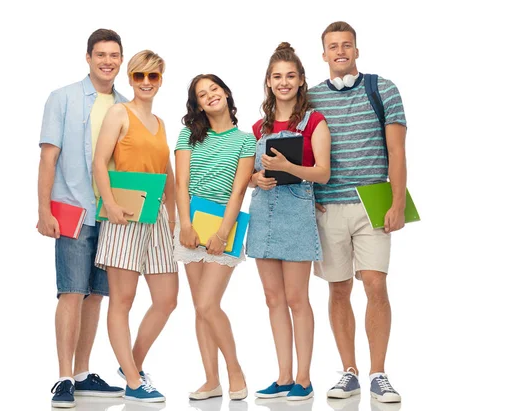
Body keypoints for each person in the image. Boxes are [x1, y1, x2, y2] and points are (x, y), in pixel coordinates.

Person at [308, 21, 407, 404]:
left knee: (375, 285)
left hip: (373, 201)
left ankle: (378, 373)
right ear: (324, 55)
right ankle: (348, 371)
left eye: (346, 45)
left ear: (357, 50)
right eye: (333, 47)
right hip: (328, 204)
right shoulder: (312, 98)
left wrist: (397, 203)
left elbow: (397, 152)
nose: (340, 52)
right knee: (338, 289)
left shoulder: (383, 88)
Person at [37, 29, 127, 408]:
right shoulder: (63, 99)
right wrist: (43, 210)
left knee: (96, 296)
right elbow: (47, 158)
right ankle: (62, 378)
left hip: (111, 215)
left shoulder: (125, 105)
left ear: (121, 60)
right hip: (73, 209)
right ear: (88, 57)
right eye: (101, 54)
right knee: (71, 291)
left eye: (115, 55)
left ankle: (82, 373)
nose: (108, 61)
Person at [246, 42, 331, 402]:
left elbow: (323, 173)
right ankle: (282, 377)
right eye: (277, 76)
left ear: (300, 81)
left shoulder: (314, 121)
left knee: (297, 298)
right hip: (264, 211)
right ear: (268, 82)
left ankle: (304, 378)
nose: (283, 82)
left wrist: (287, 168)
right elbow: (248, 173)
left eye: (290, 76)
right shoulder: (258, 126)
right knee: (273, 298)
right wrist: (257, 178)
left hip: (297, 211)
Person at [93, 50, 178, 403]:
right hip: (124, 213)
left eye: (153, 77)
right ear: (130, 78)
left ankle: (132, 366)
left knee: (167, 300)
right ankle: (132, 380)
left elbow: (167, 172)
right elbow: (99, 161)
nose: (146, 82)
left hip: (156, 215)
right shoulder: (119, 112)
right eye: (139, 76)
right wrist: (110, 204)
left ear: (160, 80)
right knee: (123, 299)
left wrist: (174, 217)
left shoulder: (160, 122)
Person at [174, 74, 255, 401]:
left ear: (225, 93)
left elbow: (238, 192)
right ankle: (211, 380)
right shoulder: (187, 136)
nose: (210, 96)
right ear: (198, 104)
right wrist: (185, 226)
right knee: (200, 307)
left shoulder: (245, 140)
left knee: (209, 303)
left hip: (226, 226)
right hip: (191, 224)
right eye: (202, 94)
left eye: (214, 89)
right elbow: (181, 184)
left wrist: (222, 231)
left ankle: (234, 370)